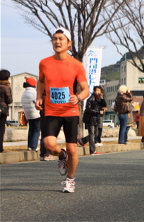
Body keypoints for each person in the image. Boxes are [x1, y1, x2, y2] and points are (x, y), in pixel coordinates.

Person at [35, 27, 89, 193]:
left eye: (61, 39)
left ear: (69, 43)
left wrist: (78, 97)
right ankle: (61, 155)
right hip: (51, 110)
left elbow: (86, 89)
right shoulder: (44, 63)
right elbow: (41, 81)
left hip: (71, 111)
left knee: (73, 148)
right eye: (54, 39)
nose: (57, 42)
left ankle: (70, 179)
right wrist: (38, 97)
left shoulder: (77, 65)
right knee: (49, 144)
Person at [79, 86, 106, 155]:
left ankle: (82, 141)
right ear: (94, 91)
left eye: (99, 91)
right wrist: (97, 112)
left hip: (97, 119)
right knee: (92, 134)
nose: (98, 92)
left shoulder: (99, 99)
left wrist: (102, 99)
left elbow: (104, 105)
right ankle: (92, 151)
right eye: (97, 90)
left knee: (96, 134)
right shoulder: (91, 99)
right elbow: (88, 109)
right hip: (91, 118)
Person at [21, 77, 41, 151]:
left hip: (28, 114)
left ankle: (30, 146)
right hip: (35, 113)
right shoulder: (34, 92)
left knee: (31, 130)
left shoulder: (24, 92)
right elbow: (37, 102)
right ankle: (33, 146)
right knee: (36, 130)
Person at [0, 69, 13, 153]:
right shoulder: (6, 87)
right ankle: (0, 148)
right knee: (1, 129)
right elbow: (9, 100)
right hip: (2, 109)